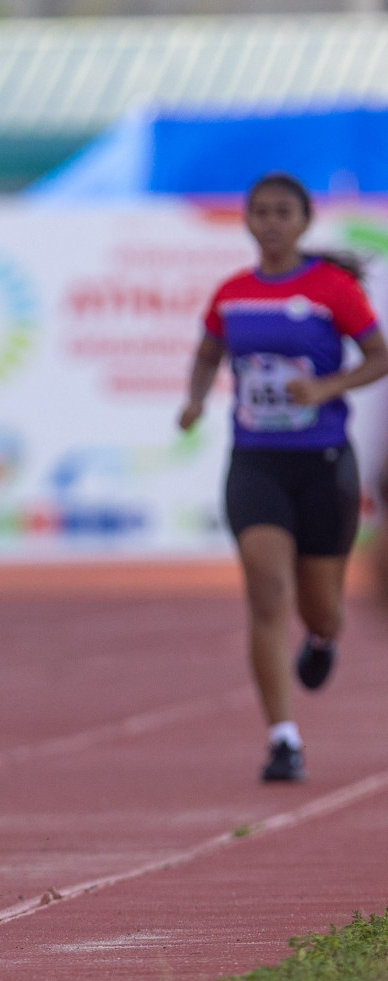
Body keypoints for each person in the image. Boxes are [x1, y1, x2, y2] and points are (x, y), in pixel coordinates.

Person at [179, 172, 388, 784]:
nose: (270, 222)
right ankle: (283, 737)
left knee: (321, 609)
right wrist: (194, 401)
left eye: (282, 213)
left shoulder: (332, 290)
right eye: (260, 212)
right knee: (267, 593)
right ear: (246, 220)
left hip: (323, 464)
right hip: (256, 463)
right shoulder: (231, 294)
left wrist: (324, 387)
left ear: (303, 222)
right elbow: (207, 354)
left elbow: (380, 356)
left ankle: (322, 641)